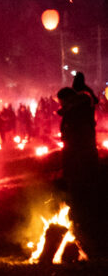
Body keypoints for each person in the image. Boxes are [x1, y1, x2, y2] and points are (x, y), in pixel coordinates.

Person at [56, 86, 100, 253]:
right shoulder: (80, 109)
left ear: (67, 100)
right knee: (81, 195)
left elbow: (75, 135)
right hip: (81, 156)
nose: (60, 105)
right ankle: (83, 231)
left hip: (80, 158)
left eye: (61, 102)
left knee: (81, 195)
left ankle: (84, 236)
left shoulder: (77, 112)